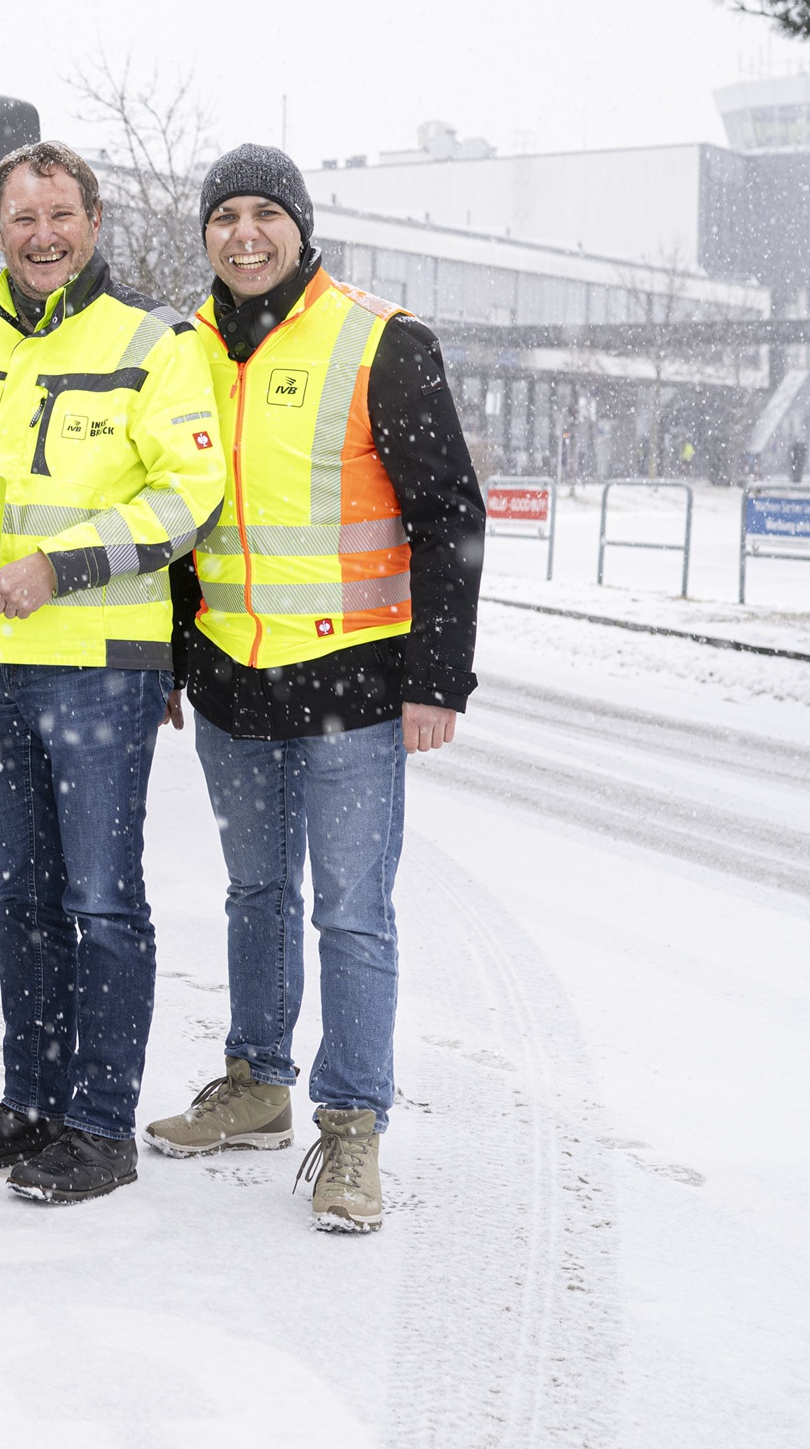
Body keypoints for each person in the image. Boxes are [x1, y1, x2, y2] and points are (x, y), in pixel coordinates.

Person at [145, 143, 484, 1234]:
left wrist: (438, 679)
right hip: (230, 683)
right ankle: (254, 1085)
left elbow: (447, 518)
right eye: (225, 215)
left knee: (349, 911)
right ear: (204, 233)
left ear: (299, 225)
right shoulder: (175, 349)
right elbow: (165, 517)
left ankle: (351, 1127)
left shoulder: (381, 341)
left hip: (354, 685)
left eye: (265, 214)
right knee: (253, 897)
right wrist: (166, 660)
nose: (246, 233)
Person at [0, 141, 228, 1205]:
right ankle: (31, 1100)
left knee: (100, 902)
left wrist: (60, 563)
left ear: (93, 221)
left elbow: (189, 499)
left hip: (96, 662)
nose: (39, 235)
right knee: (19, 900)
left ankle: (99, 1124)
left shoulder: (154, 341)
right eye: (18, 217)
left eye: (58, 214)